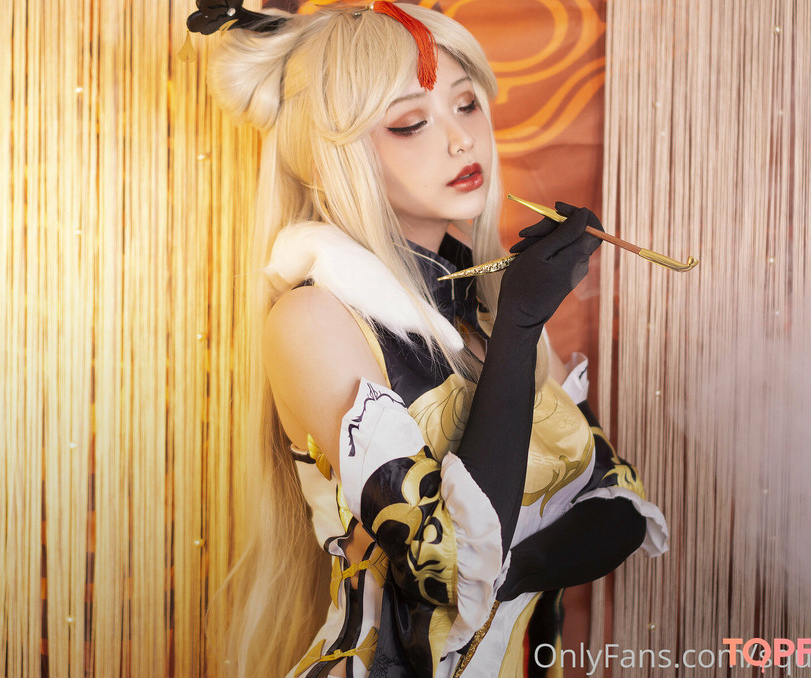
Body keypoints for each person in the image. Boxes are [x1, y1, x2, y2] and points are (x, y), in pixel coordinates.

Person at [188, 2, 668, 675]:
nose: (462, 139)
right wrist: (521, 328)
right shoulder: (314, 318)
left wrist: (509, 571)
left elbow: (621, 505)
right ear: (333, 159)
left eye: (467, 104)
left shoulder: (485, 304)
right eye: (411, 123)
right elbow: (449, 568)